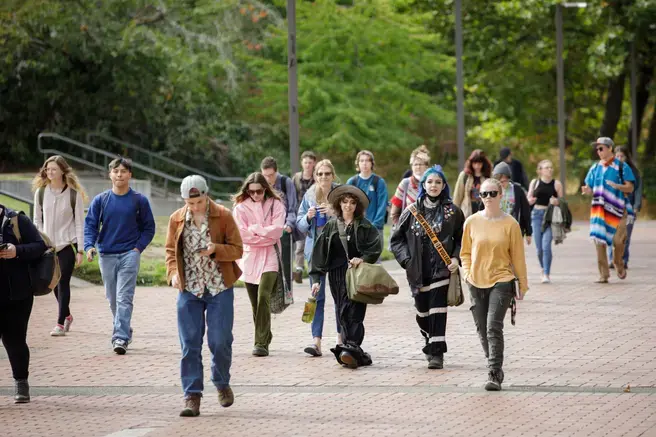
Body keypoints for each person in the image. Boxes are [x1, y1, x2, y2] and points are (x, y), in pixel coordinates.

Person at [165, 175, 243, 417]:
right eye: (190, 203)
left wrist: (215, 250)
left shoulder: (223, 215)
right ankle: (192, 395)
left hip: (219, 287)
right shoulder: (176, 219)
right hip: (189, 289)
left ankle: (221, 382)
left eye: (198, 202)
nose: (195, 207)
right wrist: (173, 274)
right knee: (189, 344)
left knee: (220, 342)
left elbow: (238, 249)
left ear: (206, 195)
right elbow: (169, 251)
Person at [390, 165, 465, 370]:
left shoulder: (453, 212)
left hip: (442, 269)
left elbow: (462, 238)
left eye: (438, 182)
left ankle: (437, 354)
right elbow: (396, 241)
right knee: (423, 312)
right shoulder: (411, 211)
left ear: (443, 186)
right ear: (423, 185)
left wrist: (456, 259)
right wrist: (407, 261)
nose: (434, 186)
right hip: (417, 272)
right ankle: (429, 338)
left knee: (437, 310)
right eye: (430, 182)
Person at [460, 178, 528, 391]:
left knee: (493, 327)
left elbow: (517, 257)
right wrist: (467, 272)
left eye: (492, 193)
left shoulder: (510, 224)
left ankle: (494, 372)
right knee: (481, 328)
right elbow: (465, 252)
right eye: (483, 194)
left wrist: (522, 285)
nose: (487, 197)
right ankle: (494, 362)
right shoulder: (471, 221)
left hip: (502, 279)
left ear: (500, 195)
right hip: (475, 280)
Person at [84, 157, 156, 355]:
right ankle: (125, 328)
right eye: (116, 171)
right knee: (112, 298)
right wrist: (89, 246)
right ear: (110, 175)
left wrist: (137, 249)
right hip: (106, 254)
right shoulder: (101, 200)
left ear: (130, 175)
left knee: (124, 297)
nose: (119, 175)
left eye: (123, 171)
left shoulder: (139, 200)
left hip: (129, 254)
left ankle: (120, 337)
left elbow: (149, 228)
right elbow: (90, 225)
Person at [309, 185, 382, 369]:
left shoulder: (365, 226)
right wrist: (317, 278)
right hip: (337, 274)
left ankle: (351, 346)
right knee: (341, 309)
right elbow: (319, 252)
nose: (348, 205)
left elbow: (375, 246)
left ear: (357, 205)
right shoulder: (331, 226)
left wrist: (363, 258)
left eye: (352, 202)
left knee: (355, 310)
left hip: (358, 274)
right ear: (339, 204)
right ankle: (354, 351)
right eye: (345, 202)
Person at [232, 172, 286, 357]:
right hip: (249, 259)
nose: (255, 195)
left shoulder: (276, 204)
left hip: (270, 256)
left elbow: (278, 231)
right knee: (255, 303)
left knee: (264, 296)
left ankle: (260, 343)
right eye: (252, 191)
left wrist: (255, 230)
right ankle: (265, 333)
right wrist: (264, 235)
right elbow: (241, 235)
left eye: (259, 191)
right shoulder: (240, 208)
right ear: (247, 190)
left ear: (265, 189)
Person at [32, 155, 87, 337]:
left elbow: (80, 223)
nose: (50, 172)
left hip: (66, 247)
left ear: (62, 171)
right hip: (47, 248)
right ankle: (68, 315)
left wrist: (80, 249)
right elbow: (37, 221)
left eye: (54, 169)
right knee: (53, 284)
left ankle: (60, 323)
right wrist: (40, 241)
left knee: (63, 283)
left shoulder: (73, 194)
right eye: (47, 169)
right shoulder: (40, 193)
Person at [0, 203, 47, 403]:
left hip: (16, 294)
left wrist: (16, 250)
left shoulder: (16, 220)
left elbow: (40, 245)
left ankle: (21, 382)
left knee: (15, 340)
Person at [296, 159, 339, 357]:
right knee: (315, 296)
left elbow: (351, 218)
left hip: (337, 251)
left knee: (341, 297)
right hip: (315, 253)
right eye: (320, 174)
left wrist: (334, 213)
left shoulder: (340, 193)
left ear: (333, 175)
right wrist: (308, 217)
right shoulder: (310, 194)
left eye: (327, 174)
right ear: (315, 176)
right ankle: (316, 342)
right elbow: (299, 224)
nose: (323, 177)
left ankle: (342, 339)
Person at [581, 137, 635, 283]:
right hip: (599, 211)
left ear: (610, 148)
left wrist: (618, 187)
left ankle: (618, 263)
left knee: (618, 241)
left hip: (619, 211)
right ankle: (603, 275)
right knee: (599, 242)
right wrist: (587, 190)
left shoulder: (622, 167)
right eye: (597, 149)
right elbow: (590, 187)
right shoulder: (594, 168)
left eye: (601, 148)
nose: (598, 151)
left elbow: (630, 187)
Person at [260, 157, 298, 291]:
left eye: (271, 175)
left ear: (276, 172)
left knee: (285, 263)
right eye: (265, 175)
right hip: (266, 230)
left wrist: (289, 225)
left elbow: (292, 207)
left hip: (283, 229)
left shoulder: (285, 182)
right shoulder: (260, 185)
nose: (268, 179)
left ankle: (286, 292)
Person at [526, 160, 564, 284]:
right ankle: (543, 268)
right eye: (546, 167)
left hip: (550, 217)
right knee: (539, 249)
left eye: (551, 167)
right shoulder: (535, 182)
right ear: (540, 170)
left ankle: (546, 273)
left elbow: (562, 203)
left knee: (546, 246)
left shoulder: (557, 184)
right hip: (536, 216)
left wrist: (557, 202)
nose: (549, 169)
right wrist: (530, 201)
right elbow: (529, 199)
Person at [608, 146, 641, 270]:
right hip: (613, 207)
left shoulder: (633, 172)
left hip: (629, 208)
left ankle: (624, 259)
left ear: (627, 157)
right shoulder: (610, 170)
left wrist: (636, 206)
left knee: (625, 236)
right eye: (617, 156)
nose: (619, 158)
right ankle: (613, 259)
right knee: (612, 235)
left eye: (622, 156)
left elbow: (638, 191)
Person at [346, 150, 388, 244]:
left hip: (375, 228)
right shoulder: (352, 182)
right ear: (358, 163)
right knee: (355, 257)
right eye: (362, 161)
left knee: (374, 258)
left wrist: (375, 225)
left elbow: (382, 205)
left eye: (367, 160)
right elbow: (346, 206)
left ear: (372, 163)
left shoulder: (379, 182)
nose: (364, 163)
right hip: (355, 228)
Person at [291, 151, 317, 283]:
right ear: (302, 163)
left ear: (314, 164)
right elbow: (292, 195)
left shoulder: (317, 177)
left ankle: (313, 267)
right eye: (306, 162)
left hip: (314, 214)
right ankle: (299, 268)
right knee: (300, 244)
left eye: (310, 163)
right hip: (300, 214)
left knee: (312, 242)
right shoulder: (296, 178)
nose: (308, 165)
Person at [390, 145, 431, 226]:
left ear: (426, 166)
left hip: (430, 233)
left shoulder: (433, 183)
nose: (418, 167)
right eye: (415, 164)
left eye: (421, 164)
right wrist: (400, 229)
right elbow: (394, 213)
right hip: (408, 232)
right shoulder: (405, 184)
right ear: (411, 166)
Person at [492, 162, 532, 241]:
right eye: (499, 182)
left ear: (508, 178)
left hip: (513, 228)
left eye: (504, 181)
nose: (501, 184)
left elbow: (525, 211)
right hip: (496, 227)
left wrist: (528, 232)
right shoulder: (491, 189)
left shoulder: (517, 189)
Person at [453, 149, 493, 218]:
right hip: (468, 210)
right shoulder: (465, 176)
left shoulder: (488, 176)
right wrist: (454, 213)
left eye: (479, 163)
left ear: (483, 163)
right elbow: (458, 195)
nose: (477, 166)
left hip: (484, 210)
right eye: (475, 163)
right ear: (471, 163)